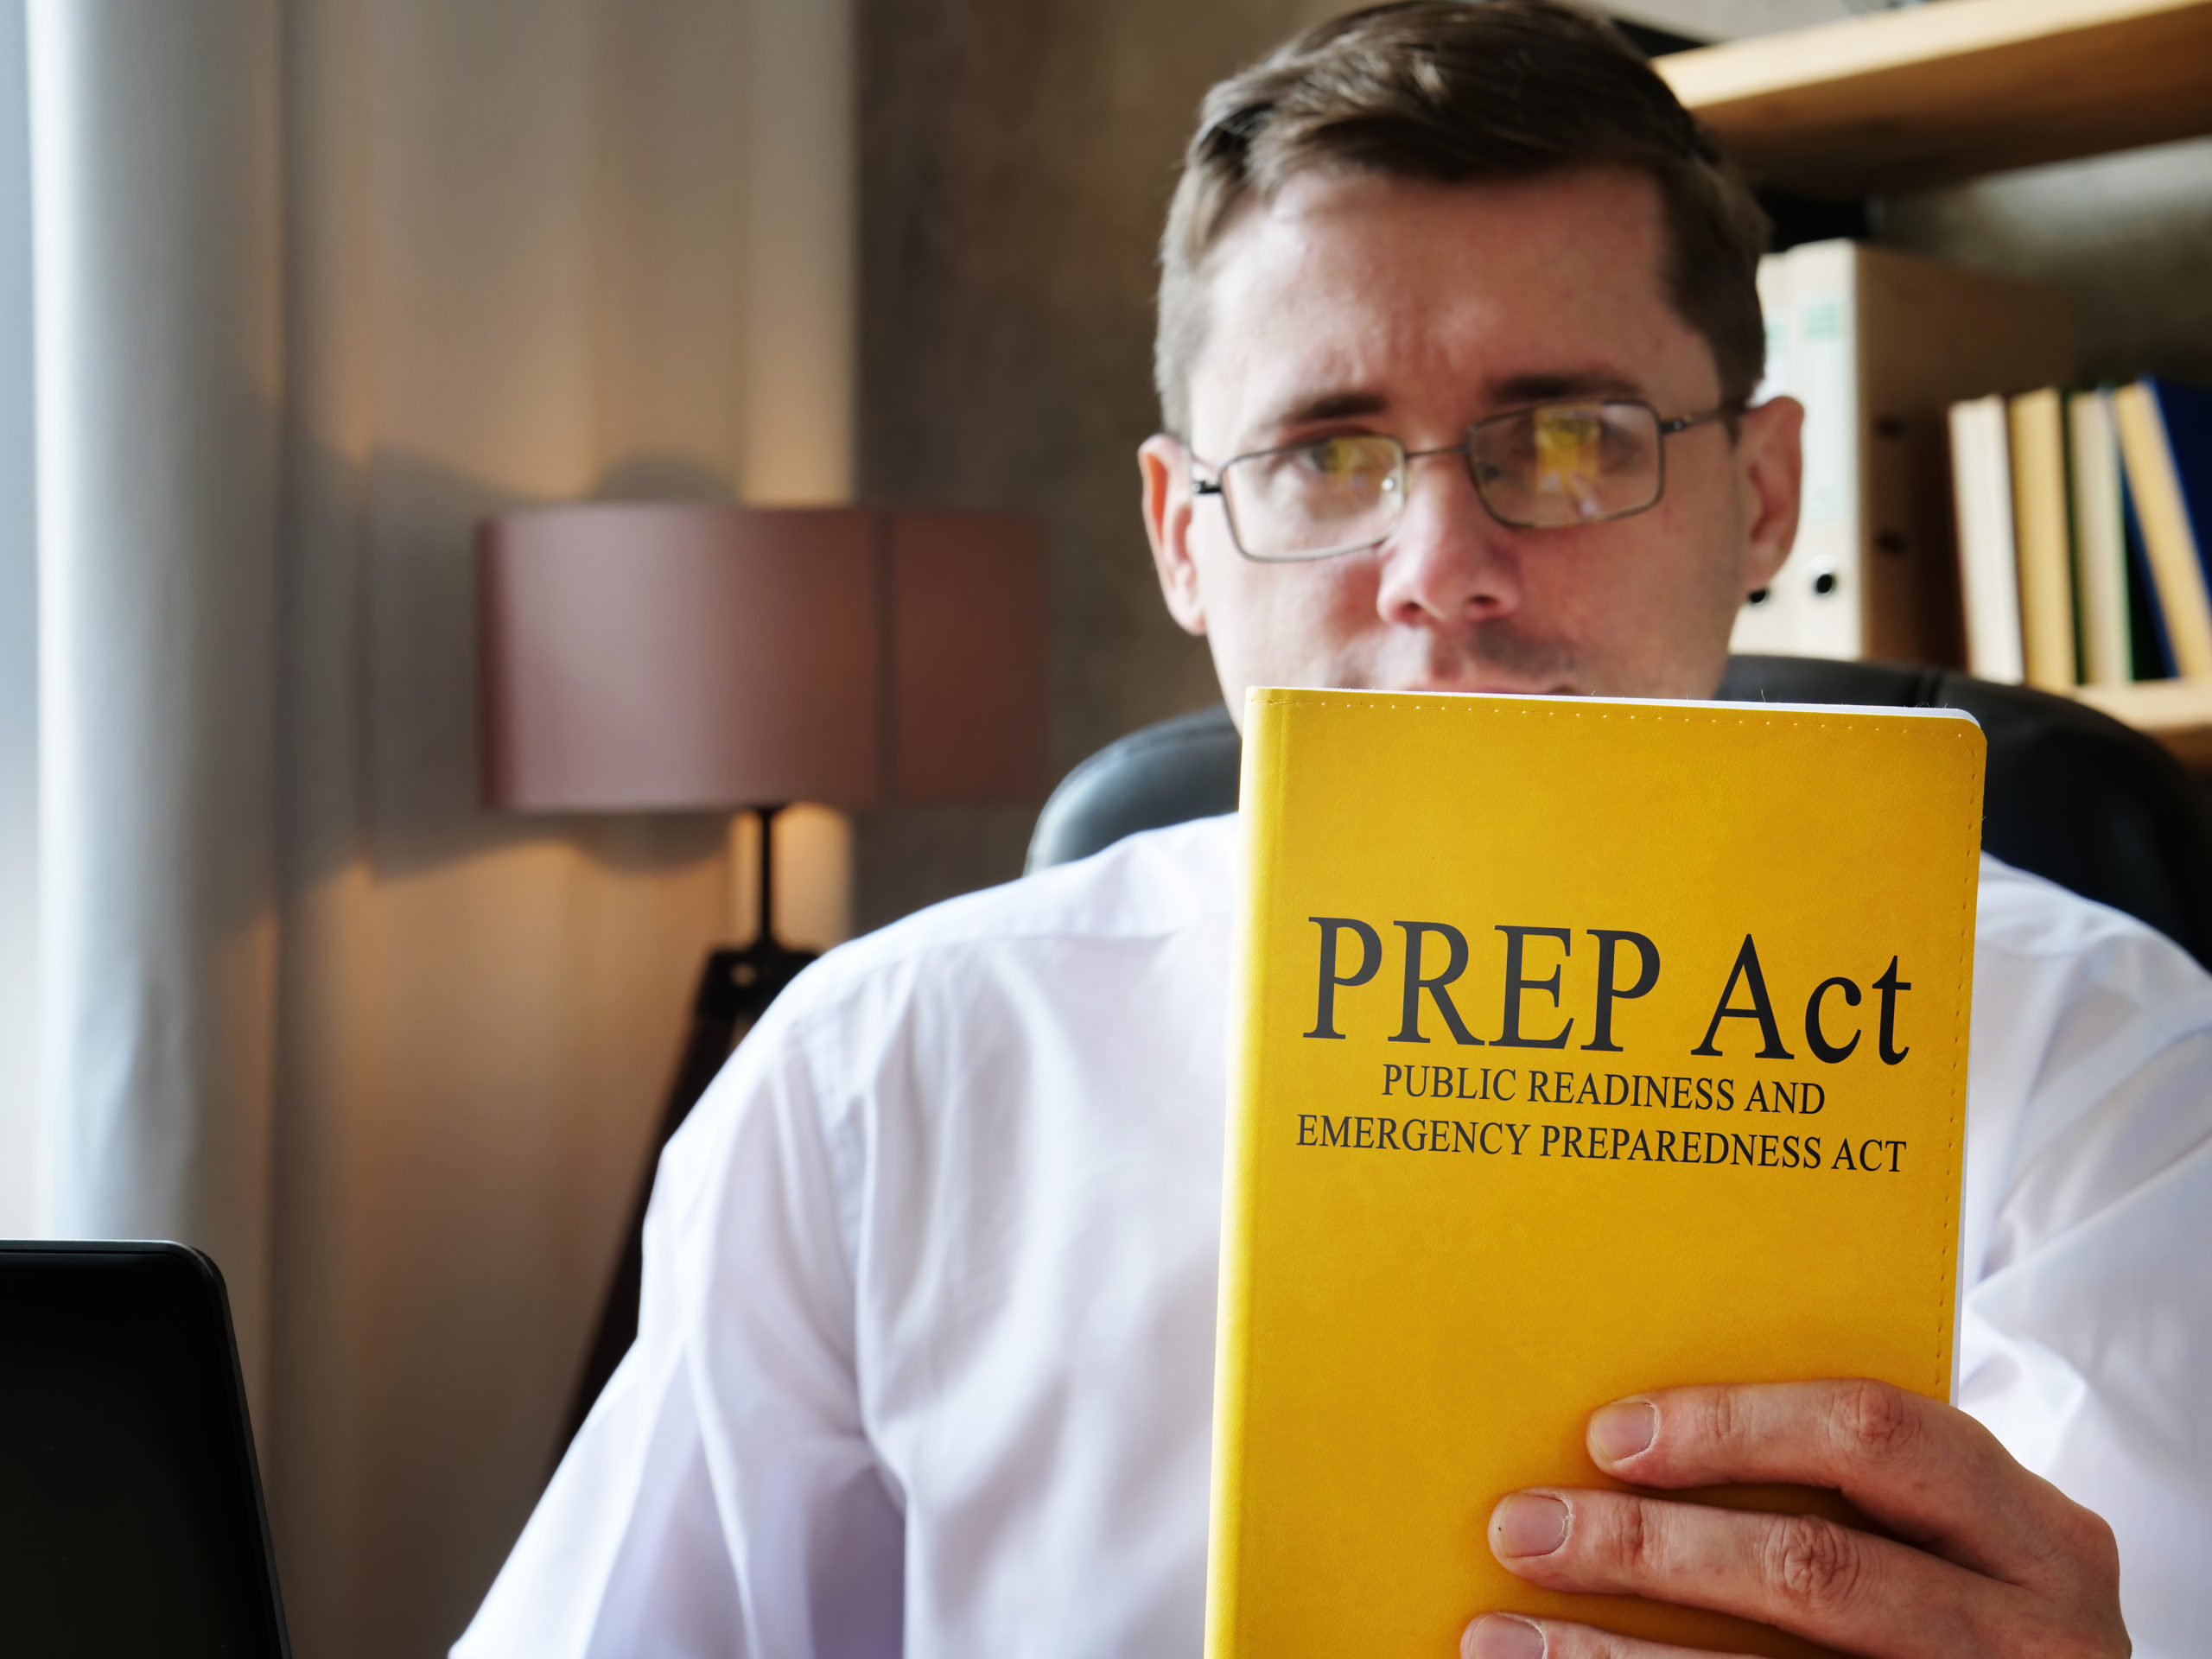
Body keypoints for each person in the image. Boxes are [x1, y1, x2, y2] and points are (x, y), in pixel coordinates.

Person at [454, 5, 2209, 1655]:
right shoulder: (871, 1078)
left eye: (1574, 438)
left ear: (1758, 497)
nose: (1438, 567)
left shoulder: (2108, 1066)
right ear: (1179, 535)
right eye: (1327, 453)